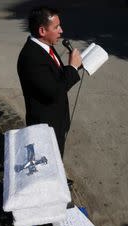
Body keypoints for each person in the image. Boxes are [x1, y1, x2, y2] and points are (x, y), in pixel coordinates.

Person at [17, 6, 82, 158]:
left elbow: (56, 77)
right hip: (46, 124)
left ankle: (59, 177)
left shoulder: (46, 47)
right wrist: (72, 67)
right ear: (42, 31)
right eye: (56, 27)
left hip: (58, 119)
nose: (61, 31)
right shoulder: (31, 58)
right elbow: (53, 91)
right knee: (49, 159)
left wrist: (76, 66)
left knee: (57, 154)